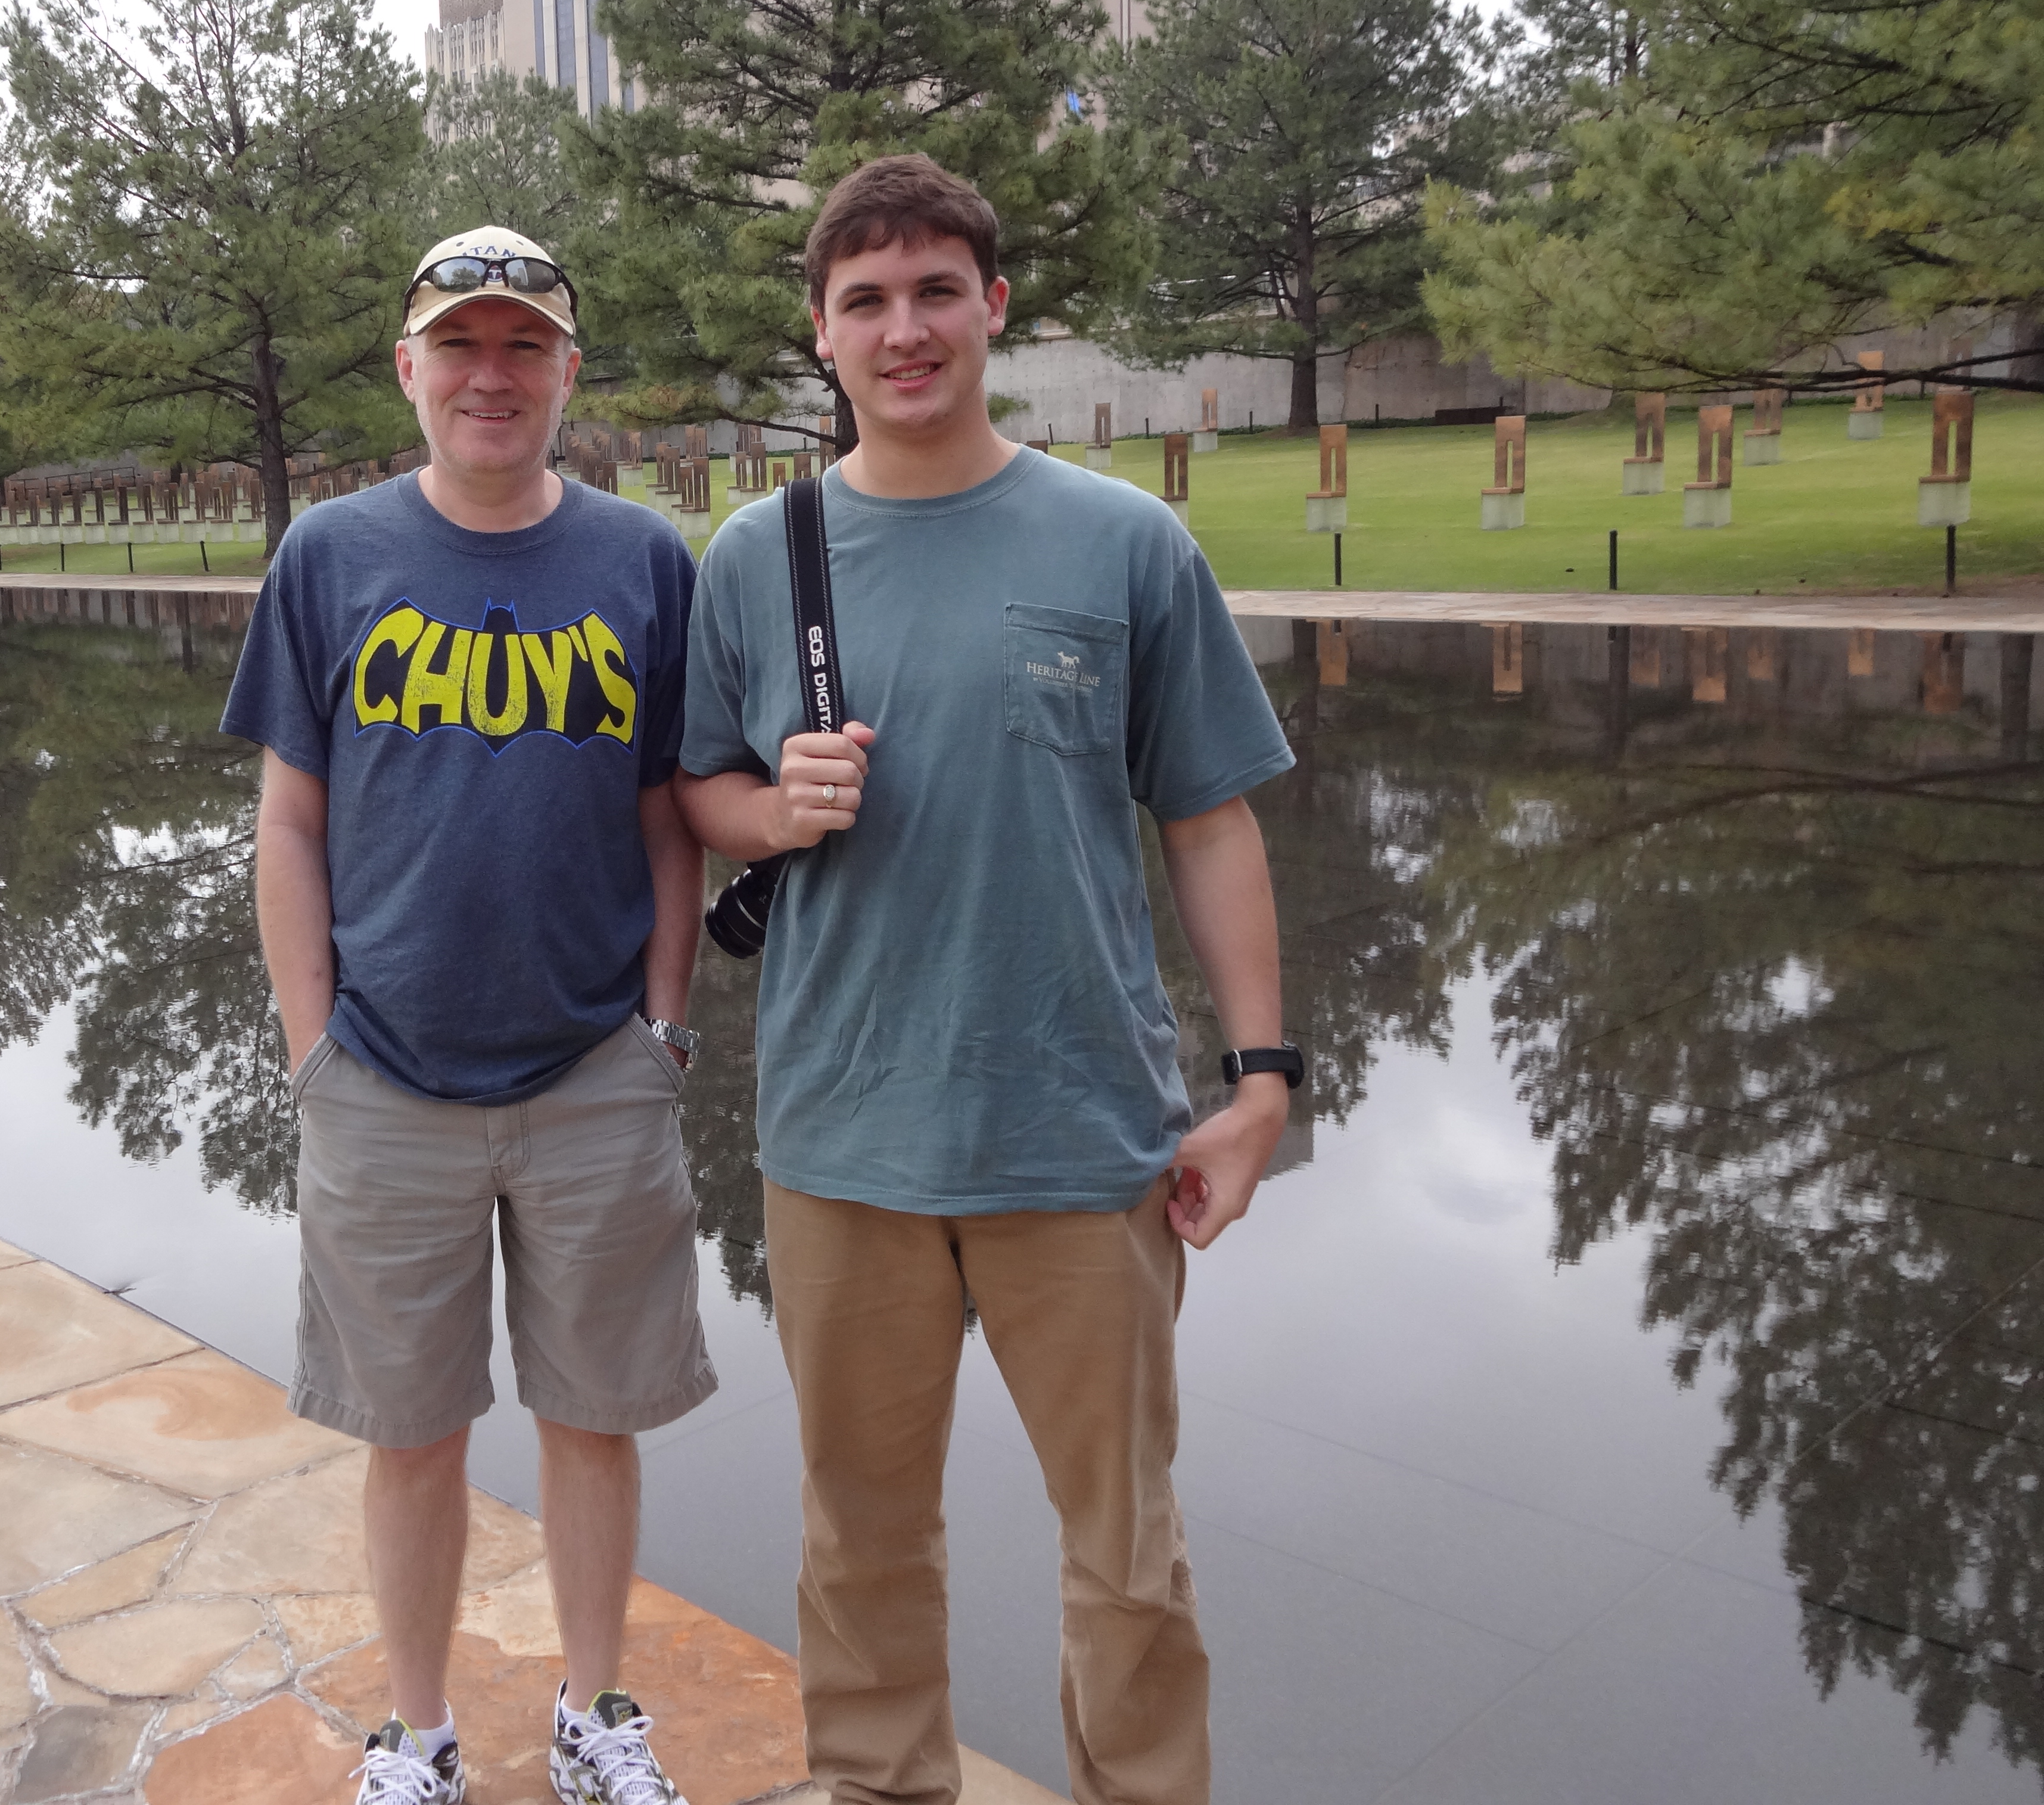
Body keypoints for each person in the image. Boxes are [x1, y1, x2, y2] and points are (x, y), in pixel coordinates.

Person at [676, 154, 1301, 1805]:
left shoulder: (1123, 542)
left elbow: (1210, 819)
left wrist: (1261, 1083)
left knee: (1127, 1551)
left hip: (1080, 1132)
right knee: (860, 1539)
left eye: (936, 292)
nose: (905, 330)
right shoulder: (757, 555)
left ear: (994, 306)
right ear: (822, 332)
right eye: (867, 301)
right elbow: (696, 791)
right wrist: (772, 807)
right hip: (844, 1137)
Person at [223, 225, 716, 1805]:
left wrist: (662, 1028)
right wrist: (310, 1046)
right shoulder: (330, 556)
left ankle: (591, 1714)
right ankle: (420, 1734)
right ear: (409, 369)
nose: (491, 376)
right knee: (411, 1433)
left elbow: (670, 817)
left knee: (594, 1419)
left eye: (524, 346)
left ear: (569, 371)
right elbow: (290, 821)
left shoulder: (644, 561)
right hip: (382, 1076)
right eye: (461, 345)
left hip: (592, 1075)